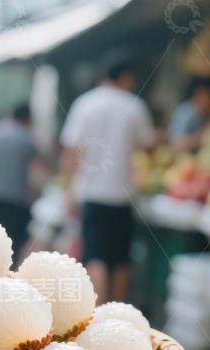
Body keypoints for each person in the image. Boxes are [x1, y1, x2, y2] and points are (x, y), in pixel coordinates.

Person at [59, 49, 156, 305]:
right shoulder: (135, 106)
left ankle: (96, 312)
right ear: (125, 76)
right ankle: (118, 312)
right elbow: (148, 147)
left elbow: (71, 153)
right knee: (121, 259)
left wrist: (68, 191)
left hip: (92, 195)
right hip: (123, 196)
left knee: (96, 256)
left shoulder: (84, 104)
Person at [0, 104, 42, 264]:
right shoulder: (27, 138)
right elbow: (37, 168)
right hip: (17, 197)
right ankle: (10, 268)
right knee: (14, 237)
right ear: (27, 118)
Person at [167, 81, 210, 151]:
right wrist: (200, 139)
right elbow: (177, 143)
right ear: (197, 97)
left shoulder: (206, 114)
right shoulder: (187, 113)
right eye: (207, 99)